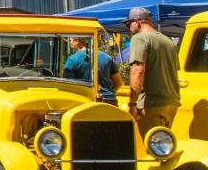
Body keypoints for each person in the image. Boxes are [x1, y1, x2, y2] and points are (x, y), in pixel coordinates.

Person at [125, 7, 181, 136]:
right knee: (163, 147)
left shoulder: (140, 38)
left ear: (137, 22)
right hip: (171, 102)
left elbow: (138, 71)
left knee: (151, 149)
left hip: (151, 103)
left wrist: (132, 104)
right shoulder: (168, 41)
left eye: (129, 23)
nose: (129, 27)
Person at [62, 38, 122, 105]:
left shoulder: (72, 59)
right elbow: (119, 82)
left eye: (71, 40)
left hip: (84, 100)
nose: (70, 43)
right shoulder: (106, 57)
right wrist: (108, 94)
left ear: (77, 41)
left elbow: (67, 85)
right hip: (109, 101)